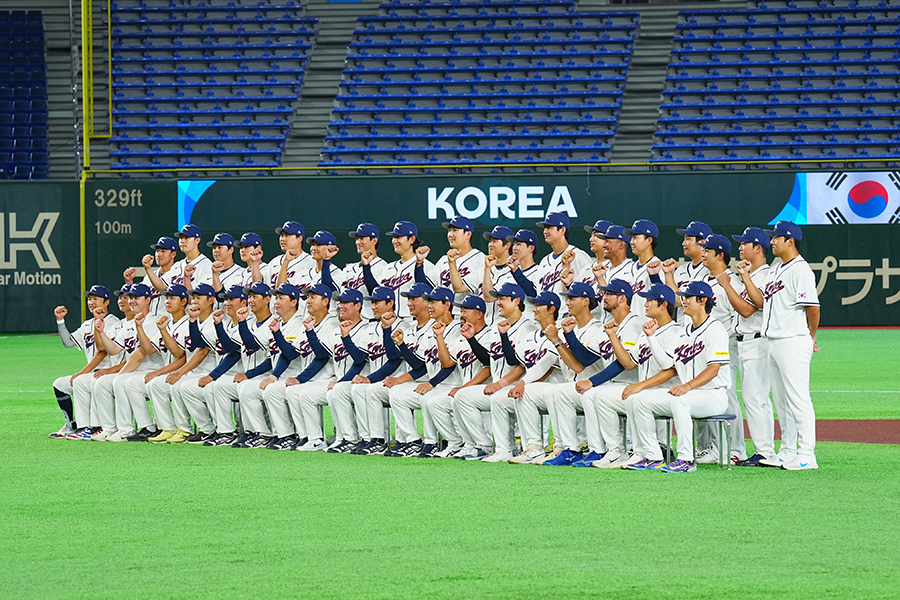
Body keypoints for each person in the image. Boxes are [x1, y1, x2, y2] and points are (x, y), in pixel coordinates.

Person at [624, 281, 732, 473]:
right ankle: (653, 456)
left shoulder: (715, 329)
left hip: (713, 395)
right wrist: (651, 337)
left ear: (702, 300)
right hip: (689, 394)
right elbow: (667, 364)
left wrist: (688, 386)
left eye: (688, 297)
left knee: (680, 400)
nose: (684, 301)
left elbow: (713, 369)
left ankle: (686, 459)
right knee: (637, 400)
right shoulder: (683, 331)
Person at [743, 221, 820, 470]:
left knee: (798, 398)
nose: (772, 241)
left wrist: (810, 335)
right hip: (773, 341)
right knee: (782, 400)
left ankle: (807, 454)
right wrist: (745, 277)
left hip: (792, 341)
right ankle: (787, 451)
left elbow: (813, 307)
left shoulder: (801, 269)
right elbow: (762, 302)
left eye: (776, 237)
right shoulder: (777, 268)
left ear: (790, 241)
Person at [586, 283, 682, 470]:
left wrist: (641, 385)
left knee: (635, 398)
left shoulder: (675, 331)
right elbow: (629, 363)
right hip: (649, 390)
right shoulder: (647, 331)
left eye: (649, 301)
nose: (645, 304)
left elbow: (672, 370)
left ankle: (644, 453)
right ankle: (616, 451)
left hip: (666, 390)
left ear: (663, 304)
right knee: (601, 397)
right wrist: (613, 336)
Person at [551, 279, 642, 468]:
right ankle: (572, 449)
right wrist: (568, 334)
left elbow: (624, 364)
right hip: (612, 384)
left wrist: (592, 381)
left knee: (591, 392)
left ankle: (608, 450)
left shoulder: (634, 325)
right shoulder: (608, 324)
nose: (604, 297)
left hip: (629, 383)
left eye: (609, 294)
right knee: (560, 392)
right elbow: (585, 359)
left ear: (623, 298)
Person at [453, 283, 537, 461]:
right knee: (462, 397)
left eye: (502, 298)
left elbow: (521, 365)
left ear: (516, 301)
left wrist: (501, 383)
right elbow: (488, 360)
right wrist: (472, 340)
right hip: (498, 384)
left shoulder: (527, 328)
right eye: (497, 298)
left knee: (498, 399)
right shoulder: (495, 327)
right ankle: (482, 445)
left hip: (516, 386)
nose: (497, 302)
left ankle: (506, 449)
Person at [716, 227, 775, 466]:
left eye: (745, 244)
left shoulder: (764, 275)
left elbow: (749, 309)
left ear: (758, 248)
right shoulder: (751, 275)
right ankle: (764, 450)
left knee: (756, 398)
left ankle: (765, 452)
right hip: (746, 342)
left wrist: (727, 285)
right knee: (755, 398)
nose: (740, 247)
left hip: (758, 340)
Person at [363, 281, 437, 456]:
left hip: (434, 381)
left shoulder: (436, 328)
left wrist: (398, 379)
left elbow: (423, 366)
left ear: (427, 302)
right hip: (415, 381)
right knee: (374, 391)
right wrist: (387, 330)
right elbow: (394, 356)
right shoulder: (412, 329)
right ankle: (381, 440)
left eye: (413, 299)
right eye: (408, 299)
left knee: (397, 391)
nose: (409, 303)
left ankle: (417, 441)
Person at [388, 287, 461, 457]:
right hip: (436, 384)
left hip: (452, 383)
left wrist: (430, 383)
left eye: (434, 302)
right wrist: (401, 344)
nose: (430, 305)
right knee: (397, 394)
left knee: (428, 396)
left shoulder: (458, 329)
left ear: (447, 304)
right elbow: (418, 364)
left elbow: (451, 365)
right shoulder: (431, 329)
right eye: (429, 301)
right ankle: (413, 441)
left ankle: (431, 442)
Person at [147, 284, 220, 444]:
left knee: (180, 385)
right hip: (192, 372)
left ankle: (202, 429)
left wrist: (179, 373)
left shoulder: (213, 322)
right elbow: (180, 352)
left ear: (211, 300)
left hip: (209, 372)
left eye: (199, 297)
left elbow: (202, 352)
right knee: (156, 385)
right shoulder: (192, 321)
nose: (195, 301)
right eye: (193, 297)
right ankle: (169, 428)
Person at [693, 233, 743, 464]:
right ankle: (713, 448)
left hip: (725, 346)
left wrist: (723, 340)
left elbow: (739, 316)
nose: (703, 253)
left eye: (708, 250)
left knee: (727, 395)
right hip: (702, 348)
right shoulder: (705, 279)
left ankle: (735, 449)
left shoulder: (732, 281)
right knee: (706, 394)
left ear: (720, 255)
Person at [209, 282, 276, 448]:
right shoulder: (250, 322)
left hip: (267, 376)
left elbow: (267, 356)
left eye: (255, 296)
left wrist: (248, 374)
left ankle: (262, 433)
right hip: (251, 377)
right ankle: (226, 432)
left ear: (267, 299)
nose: (251, 299)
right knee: (220, 386)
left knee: (246, 387)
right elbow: (232, 349)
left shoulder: (273, 324)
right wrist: (218, 325)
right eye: (250, 296)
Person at [425, 294, 493, 458]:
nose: (462, 314)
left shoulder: (491, 334)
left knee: (460, 397)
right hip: (466, 391)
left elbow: (488, 367)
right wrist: (440, 337)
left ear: (479, 314)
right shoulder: (461, 337)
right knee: (435, 403)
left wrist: (464, 388)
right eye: (461, 310)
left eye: (466, 310)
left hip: (484, 390)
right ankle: (457, 443)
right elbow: (447, 363)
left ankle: (483, 446)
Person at [50, 285, 120, 439]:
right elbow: (68, 342)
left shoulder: (113, 322)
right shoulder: (87, 324)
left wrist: (82, 372)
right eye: (89, 299)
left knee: (81, 380)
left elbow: (102, 352)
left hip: (108, 372)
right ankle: (71, 425)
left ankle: (87, 428)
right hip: (93, 374)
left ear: (106, 302)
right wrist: (60, 321)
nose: (91, 302)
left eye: (96, 298)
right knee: (59, 384)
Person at [187, 285, 248, 446]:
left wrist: (211, 375)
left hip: (242, 374)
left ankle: (229, 431)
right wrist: (193, 321)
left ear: (244, 302)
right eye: (225, 299)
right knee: (208, 387)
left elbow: (232, 351)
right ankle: (222, 430)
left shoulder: (246, 325)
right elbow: (198, 343)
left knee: (215, 385)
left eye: (231, 299)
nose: (227, 303)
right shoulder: (227, 323)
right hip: (228, 376)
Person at [254, 282, 308, 448]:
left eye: (281, 298)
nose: (276, 301)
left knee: (272, 390)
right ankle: (278, 434)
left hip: (297, 374)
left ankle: (293, 435)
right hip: (282, 376)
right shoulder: (279, 322)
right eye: (276, 298)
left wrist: (273, 376)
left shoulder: (299, 324)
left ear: (294, 302)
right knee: (251, 389)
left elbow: (290, 355)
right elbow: (272, 355)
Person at [143, 284, 192, 443]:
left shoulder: (188, 324)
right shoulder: (167, 322)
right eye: (166, 298)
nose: (167, 301)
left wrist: (159, 372)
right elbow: (149, 349)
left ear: (184, 301)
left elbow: (181, 356)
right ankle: (167, 428)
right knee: (154, 385)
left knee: (170, 384)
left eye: (172, 298)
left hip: (188, 372)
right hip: (174, 372)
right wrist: (139, 327)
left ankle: (185, 429)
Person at [87, 285, 135, 441]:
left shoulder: (141, 323)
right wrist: (99, 327)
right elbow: (105, 348)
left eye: (126, 297)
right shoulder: (121, 324)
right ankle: (107, 428)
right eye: (120, 297)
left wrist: (112, 371)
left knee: (116, 381)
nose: (122, 300)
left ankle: (127, 429)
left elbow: (136, 358)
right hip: (125, 370)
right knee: (99, 381)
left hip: (138, 370)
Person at [418, 215, 485, 304]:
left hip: (468, 314)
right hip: (444, 315)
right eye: (449, 230)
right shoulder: (443, 260)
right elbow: (424, 287)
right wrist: (419, 263)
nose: (450, 234)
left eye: (455, 230)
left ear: (468, 234)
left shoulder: (480, 259)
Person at [661, 221, 712, 322]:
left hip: (704, 330)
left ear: (702, 242)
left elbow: (678, 301)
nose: (683, 243)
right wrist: (668, 273)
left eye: (688, 239)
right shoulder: (680, 270)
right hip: (683, 330)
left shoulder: (710, 271)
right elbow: (671, 302)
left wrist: (668, 274)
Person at [384, 221, 434, 319]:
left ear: (412, 239)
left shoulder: (426, 266)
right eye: (393, 237)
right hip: (391, 321)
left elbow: (430, 297)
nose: (394, 241)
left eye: (398, 237)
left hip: (413, 321)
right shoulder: (388, 268)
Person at [534, 212, 592, 295]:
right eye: (544, 228)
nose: (545, 231)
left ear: (562, 230)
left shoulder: (579, 256)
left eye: (549, 227)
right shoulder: (544, 261)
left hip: (569, 307)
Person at [341, 223, 389, 320]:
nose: (357, 242)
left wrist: (366, 267)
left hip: (371, 322)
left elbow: (379, 297)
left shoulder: (383, 267)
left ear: (374, 241)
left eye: (362, 238)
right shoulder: (349, 269)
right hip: (350, 324)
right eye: (357, 238)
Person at [126, 236, 181, 317]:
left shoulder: (177, 273)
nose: (159, 254)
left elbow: (160, 287)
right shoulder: (149, 277)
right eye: (157, 251)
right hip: (151, 322)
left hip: (169, 321)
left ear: (173, 254)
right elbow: (138, 297)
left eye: (163, 251)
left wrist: (148, 268)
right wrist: (129, 281)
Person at [624, 219, 661, 318]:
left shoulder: (658, 267)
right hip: (630, 327)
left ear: (649, 240)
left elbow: (663, 300)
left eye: (635, 237)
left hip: (648, 326)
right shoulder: (630, 267)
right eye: (631, 238)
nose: (631, 242)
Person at [480, 225, 515, 326]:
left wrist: (487, 269)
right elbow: (459, 287)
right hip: (486, 327)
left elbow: (489, 297)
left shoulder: (516, 271)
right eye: (490, 241)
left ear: (507, 245)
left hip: (507, 326)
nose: (490, 244)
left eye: (495, 241)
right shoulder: (485, 268)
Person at [174, 223, 213, 291]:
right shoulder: (177, 265)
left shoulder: (206, 265)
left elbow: (201, 298)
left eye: (187, 238)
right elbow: (161, 285)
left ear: (197, 240)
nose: (182, 241)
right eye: (181, 238)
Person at [208, 232, 244, 303]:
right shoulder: (208, 273)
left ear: (231, 250)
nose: (216, 250)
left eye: (219, 247)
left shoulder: (241, 274)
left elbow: (222, 299)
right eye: (214, 248)